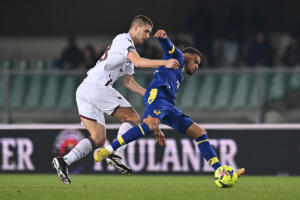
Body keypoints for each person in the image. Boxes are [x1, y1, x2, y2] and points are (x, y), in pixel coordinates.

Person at [94, 29, 245, 179]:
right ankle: (109, 149)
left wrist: (157, 127)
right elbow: (169, 48)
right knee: (148, 126)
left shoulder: (179, 73)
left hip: (167, 105)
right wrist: (163, 38)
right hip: (158, 97)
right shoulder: (178, 57)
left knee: (200, 133)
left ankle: (219, 170)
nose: (197, 66)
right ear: (188, 57)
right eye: (196, 62)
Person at [52, 15, 179, 184]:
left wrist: (149, 95)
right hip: (96, 87)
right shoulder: (123, 40)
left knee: (97, 138)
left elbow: (129, 82)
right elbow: (139, 62)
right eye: (146, 31)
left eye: (149, 33)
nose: (148, 36)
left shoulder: (129, 50)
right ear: (135, 28)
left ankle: (64, 160)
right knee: (133, 118)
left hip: (84, 90)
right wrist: (165, 63)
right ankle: (116, 153)